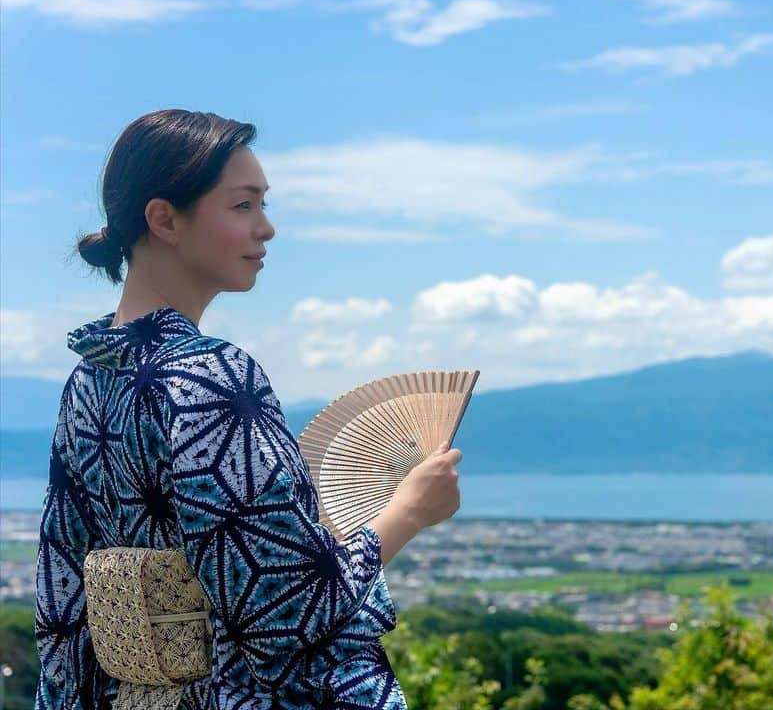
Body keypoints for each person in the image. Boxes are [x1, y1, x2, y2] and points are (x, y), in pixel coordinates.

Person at [34, 109, 463, 709]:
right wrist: (411, 511)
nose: (267, 229)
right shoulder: (209, 373)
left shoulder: (89, 377)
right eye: (244, 205)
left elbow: (62, 592)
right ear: (164, 219)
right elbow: (287, 605)